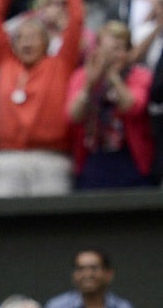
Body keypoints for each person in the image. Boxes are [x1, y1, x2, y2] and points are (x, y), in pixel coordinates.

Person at [0, 0, 84, 197]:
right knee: (6, 226)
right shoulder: (6, 62)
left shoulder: (61, 63)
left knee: (52, 227)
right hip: (8, 157)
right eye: (20, 37)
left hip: (52, 158)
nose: (27, 42)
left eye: (33, 37)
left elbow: (76, 21)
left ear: (46, 41)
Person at [66, 21, 155, 190]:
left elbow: (132, 107)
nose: (112, 56)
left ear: (128, 52)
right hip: (93, 159)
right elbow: (73, 116)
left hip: (131, 159)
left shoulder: (139, 75)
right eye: (107, 50)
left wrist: (112, 75)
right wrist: (90, 85)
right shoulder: (82, 76)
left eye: (118, 49)